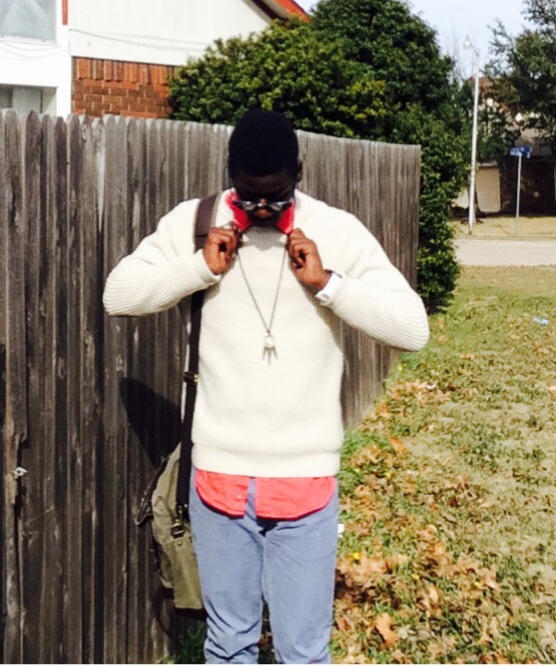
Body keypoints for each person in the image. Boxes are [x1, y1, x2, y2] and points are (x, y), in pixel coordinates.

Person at [103, 109, 429, 665]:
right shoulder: (195, 222)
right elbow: (119, 296)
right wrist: (198, 268)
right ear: (229, 170)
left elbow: (412, 329)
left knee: (303, 650)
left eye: (275, 198)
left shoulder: (337, 230)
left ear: (298, 173)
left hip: (304, 479)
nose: (259, 210)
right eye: (248, 195)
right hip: (218, 480)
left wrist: (328, 284)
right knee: (228, 644)